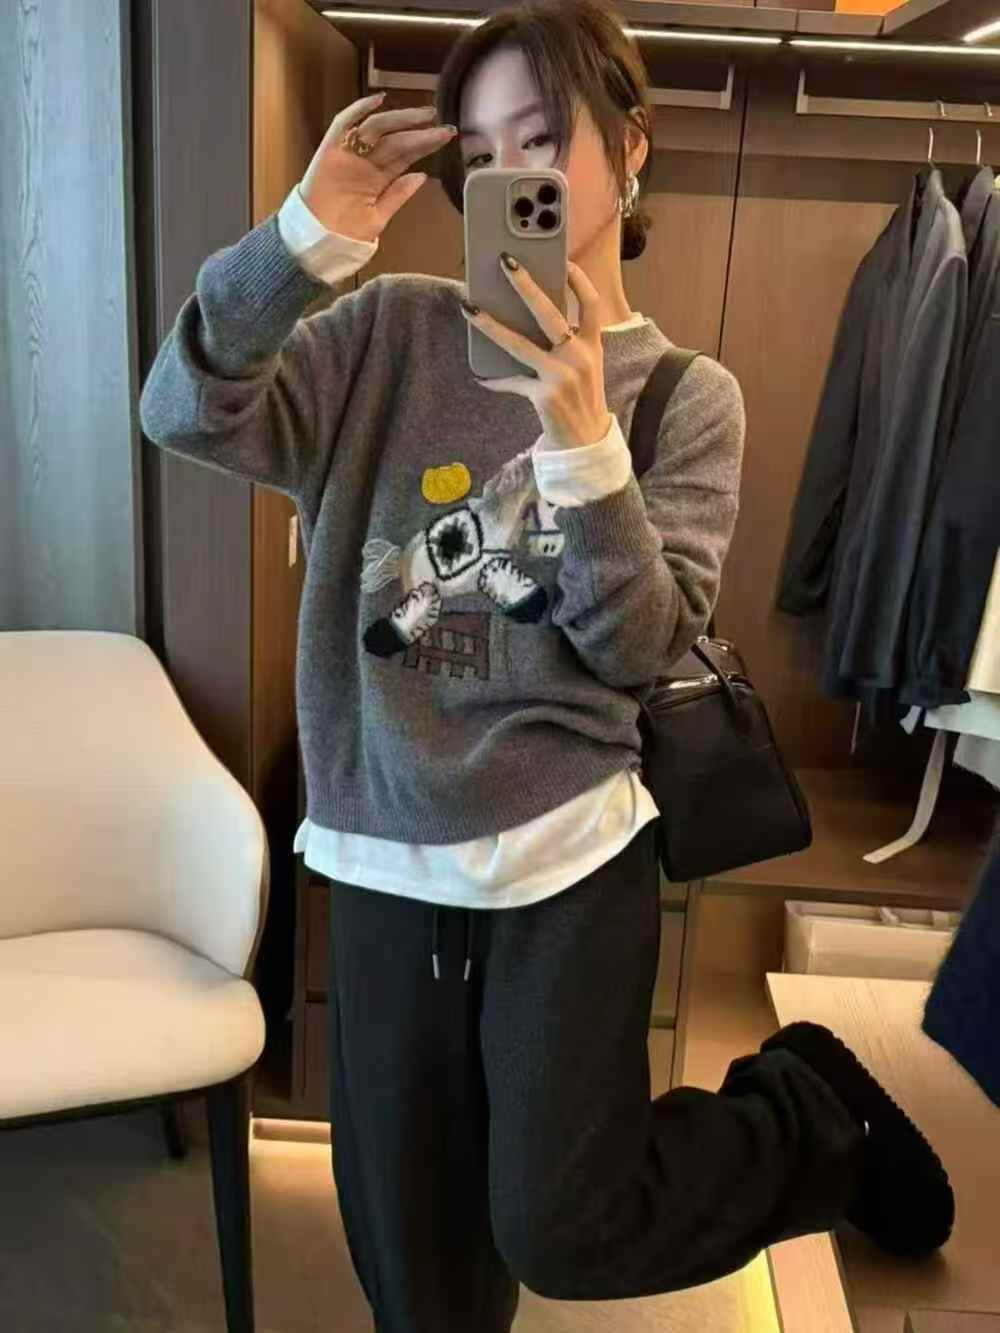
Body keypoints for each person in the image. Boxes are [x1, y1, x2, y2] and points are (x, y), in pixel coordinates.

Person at [140, 0, 954, 1328]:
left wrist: (582, 442)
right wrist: (298, 242)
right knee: (416, 1274)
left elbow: (638, 647)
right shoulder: (385, 335)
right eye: (481, 150)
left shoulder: (685, 396)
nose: (511, 173)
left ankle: (810, 1117)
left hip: (572, 858)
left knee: (566, 1226)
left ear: (629, 149)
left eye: (543, 137)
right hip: (383, 855)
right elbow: (184, 409)